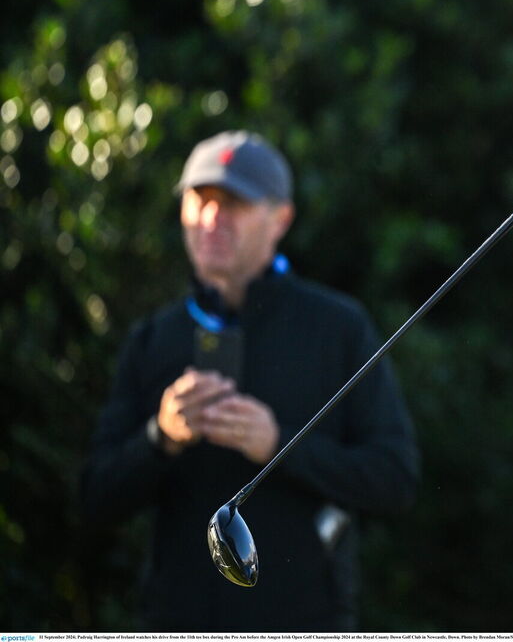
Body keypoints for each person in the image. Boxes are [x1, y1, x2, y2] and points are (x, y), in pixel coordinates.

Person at [81, 131, 420, 632]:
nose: (212, 218)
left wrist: (280, 445)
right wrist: (161, 437)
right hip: (175, 621)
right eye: (200, 200)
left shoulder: (337, 328)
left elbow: (396, 479)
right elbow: (92, 500)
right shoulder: (152, 340)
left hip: (304, 621)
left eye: (234, 202)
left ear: (280, 218)